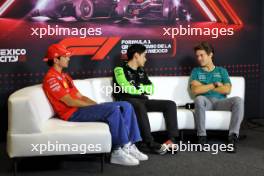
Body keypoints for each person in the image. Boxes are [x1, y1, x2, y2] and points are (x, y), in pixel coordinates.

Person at [42, 43, 148, 166]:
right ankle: (117, 151)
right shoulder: (51, 78)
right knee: (113, 110)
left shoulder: (65, 76)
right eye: (65, 56)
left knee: (126, 105)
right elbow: (69, 101)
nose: (68, 58)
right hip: (71, 113)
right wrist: (95, 107)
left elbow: (80, 96)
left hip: (79, 108)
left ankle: (129, 145)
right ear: (56, 59)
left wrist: (96, 104)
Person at [113, 44, 179, 155]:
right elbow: (126, 88)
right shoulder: (119, 69)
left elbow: (151, 89)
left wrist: (137, 88)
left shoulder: (142, 71)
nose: (146, 59)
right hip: (126, 101)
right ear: (136, 56)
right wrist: (141, 89)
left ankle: (171, 140)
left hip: (143, 100)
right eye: (144, 56)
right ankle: (149, 143)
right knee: (139, 105)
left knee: (170, 104)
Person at [190, 41, 244, 153]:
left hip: (220, 102)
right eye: (197, 56)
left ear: (210, 54)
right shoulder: (196, 71)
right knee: (199, 98)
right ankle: (202, 138)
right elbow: (196, 90)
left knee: (238, 100)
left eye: (202, 55)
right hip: (205, 102)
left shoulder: (221, 71)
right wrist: (214, 84)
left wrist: (204, 86)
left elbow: (227, 89)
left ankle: (233, 137)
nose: (199, 58)